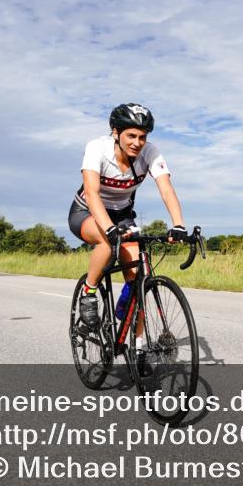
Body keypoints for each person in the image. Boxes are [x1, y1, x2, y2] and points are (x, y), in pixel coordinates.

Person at [68, 103, 187, 335]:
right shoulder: (97, 148)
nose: (137, 143)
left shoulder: (150, 153)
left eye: (142, 137)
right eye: (131, 136)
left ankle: (138, 343)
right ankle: (88, 292)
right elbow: (92, 193)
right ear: (116, 132)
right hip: (87, 212)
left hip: (122, 216)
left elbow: (166, 189)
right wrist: (109, 228)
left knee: (139, 282)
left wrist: (179, 225)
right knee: (107, 241)